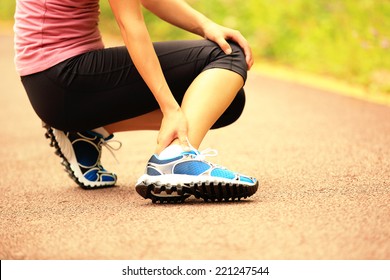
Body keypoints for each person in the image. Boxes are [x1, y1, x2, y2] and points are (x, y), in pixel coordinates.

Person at [14, 0, 258, 203]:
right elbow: (130, 25)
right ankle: (174, 159)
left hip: (53, 88)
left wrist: (206, 25)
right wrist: (170, 109)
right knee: (228, 55)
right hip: (63, 77)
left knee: (226, 101)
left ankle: (87, 129)